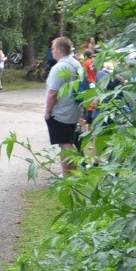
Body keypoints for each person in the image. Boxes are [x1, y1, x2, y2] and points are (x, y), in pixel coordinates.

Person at [44, 36, 84, 176]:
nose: (52, 51)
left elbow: (53, 93)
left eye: (53, 48)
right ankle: (72, 172)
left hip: (62, 112)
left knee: (65, 144)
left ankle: (68, 175)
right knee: (69, 142)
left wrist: (48, 112)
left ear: (60, 49)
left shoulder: (59, 67)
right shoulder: (76, 63)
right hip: (74, 110)